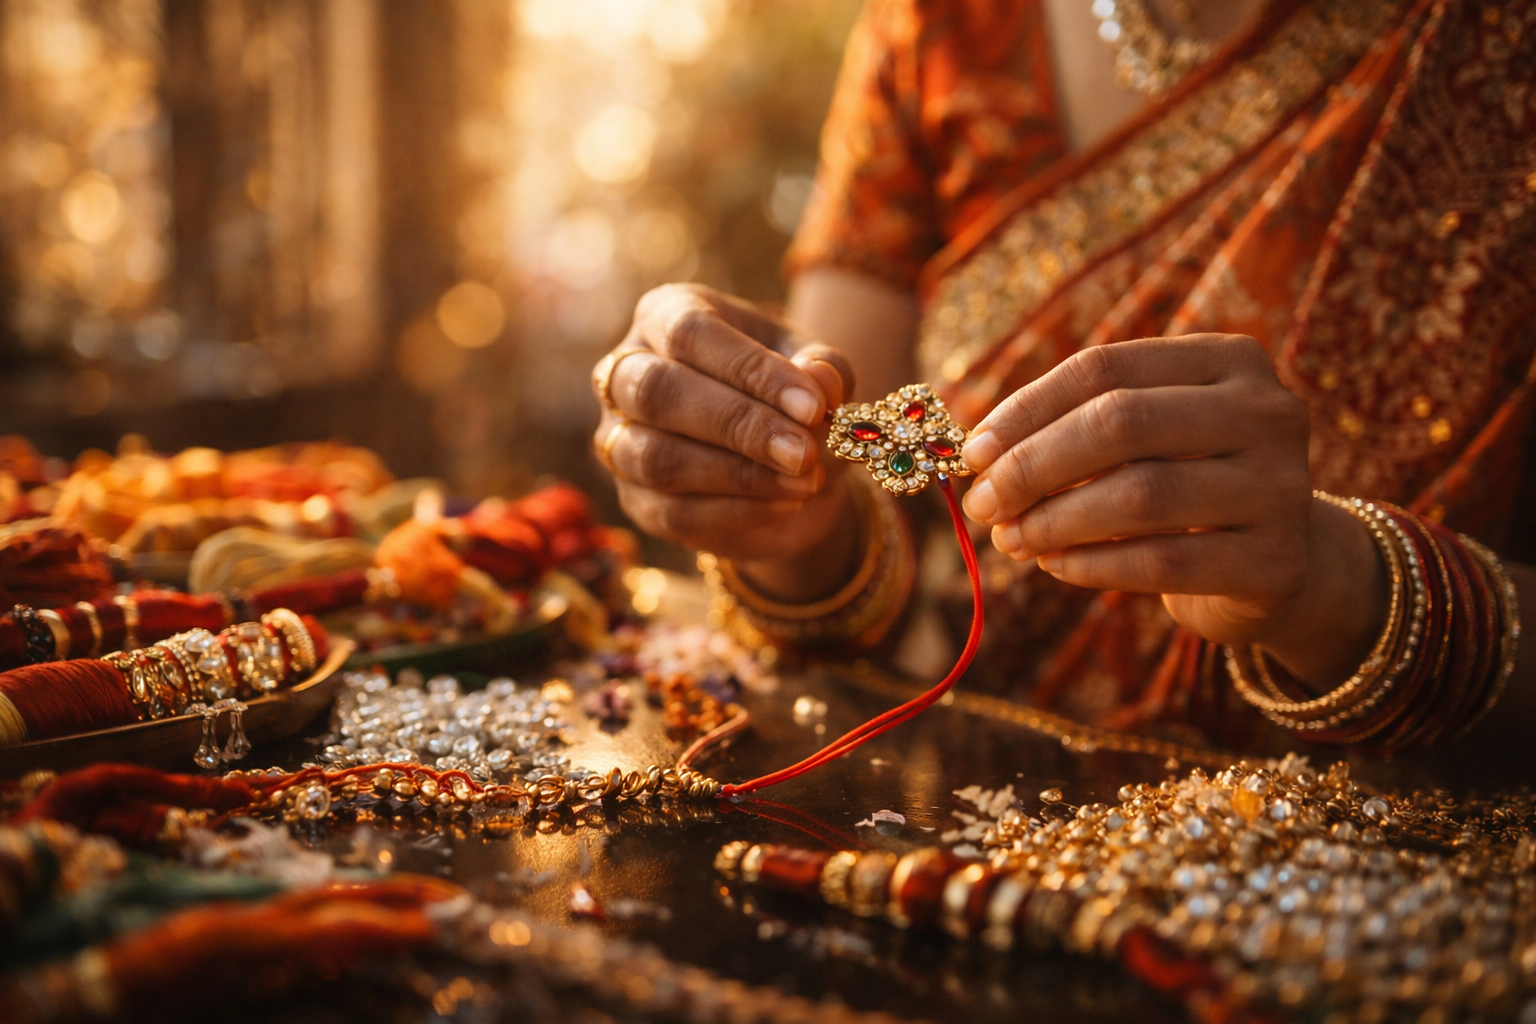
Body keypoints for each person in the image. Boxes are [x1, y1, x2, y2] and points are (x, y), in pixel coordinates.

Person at [590, 0, 1536, 765]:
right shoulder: (936, 29)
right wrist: (776, 513)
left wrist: (1337, 586)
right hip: (966, 816)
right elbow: (845, 496)